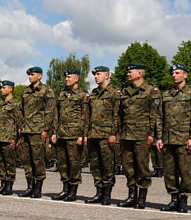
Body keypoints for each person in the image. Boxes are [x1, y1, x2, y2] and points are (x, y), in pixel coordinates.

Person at [155, 64, 191, 213]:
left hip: (183, 139)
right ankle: (173, 199)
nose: (174, 75)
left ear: (185, 75)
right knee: (169, 172)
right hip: (168, 139)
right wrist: (159, 137)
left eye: (177, 72)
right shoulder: (166, 94)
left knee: (184, 171)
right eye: (172, 73)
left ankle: (184, 200)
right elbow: (160, 117)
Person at [117, 64, 161, 209]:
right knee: (128, 167)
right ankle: (131, 195)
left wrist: (152, 135)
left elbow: (155, 115)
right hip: (126, 134)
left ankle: (142, 197)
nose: (128, 74)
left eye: (130, 72)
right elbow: (121, 115)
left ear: (140, 73)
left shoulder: (151, 90)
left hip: (142, 134)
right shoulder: (126, 91)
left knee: (142, 166)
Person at [51, 69, 88, 202]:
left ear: (76, 79)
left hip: (74, 134)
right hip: (61, 134)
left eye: (69, 77)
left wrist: (82, 135)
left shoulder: (82, 95)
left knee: (74, 164)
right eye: (66, 77)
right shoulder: (62, 95)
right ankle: (65, 189)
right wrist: (54, 132)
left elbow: (85, 116)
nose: (67, 79)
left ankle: (73, 191)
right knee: (62, 163)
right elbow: (57, 114)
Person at [85, 66, 120, 205]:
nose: (95, 76)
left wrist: (113, 134)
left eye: (98, 74)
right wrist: (86, 134)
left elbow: (117, 115)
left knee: (107, 165)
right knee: (95, 165)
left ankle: (107, 194)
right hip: (93, 134)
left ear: (107, 75)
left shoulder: (114, 93)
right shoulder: (93, 94)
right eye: (94, 74)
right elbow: (88, 116)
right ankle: (98, 192)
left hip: (106, 135)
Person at [18, 66, 54, 198]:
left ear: (40, 76)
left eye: (32, 74)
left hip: (38, 130)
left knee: (38, 159)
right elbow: (21, 110)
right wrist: (21, 126)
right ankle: (29, 186)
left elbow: (49, 112)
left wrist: (45, 130)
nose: (30, 77)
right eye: (29, 75)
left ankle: (38, 188)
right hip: (26, 130)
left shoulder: (46, 91)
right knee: (26, 159)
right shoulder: (26, 91)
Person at [0, 80, 23, 196]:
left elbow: (19, 122)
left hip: (8, 138)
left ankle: (9, 185)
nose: (1, 90)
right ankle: (3, 184)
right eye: (1, 88)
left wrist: (16, 139)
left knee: (9, 163)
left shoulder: (15, 104)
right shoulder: (0, 104)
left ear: (10, 89)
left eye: (4, 87)